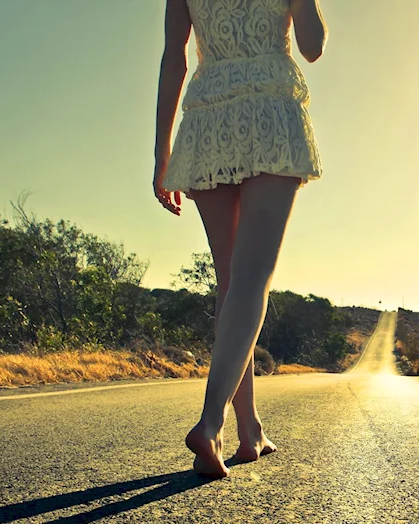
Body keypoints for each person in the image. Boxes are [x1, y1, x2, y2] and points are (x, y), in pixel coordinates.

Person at [153, 0, 326, 478]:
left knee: (231, 284)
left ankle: (249, 429)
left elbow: (174, 57)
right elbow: (312, 47)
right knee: (251, 281)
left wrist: (160, 154)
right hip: (271, 111)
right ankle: (210, 423)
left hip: (210, 118)